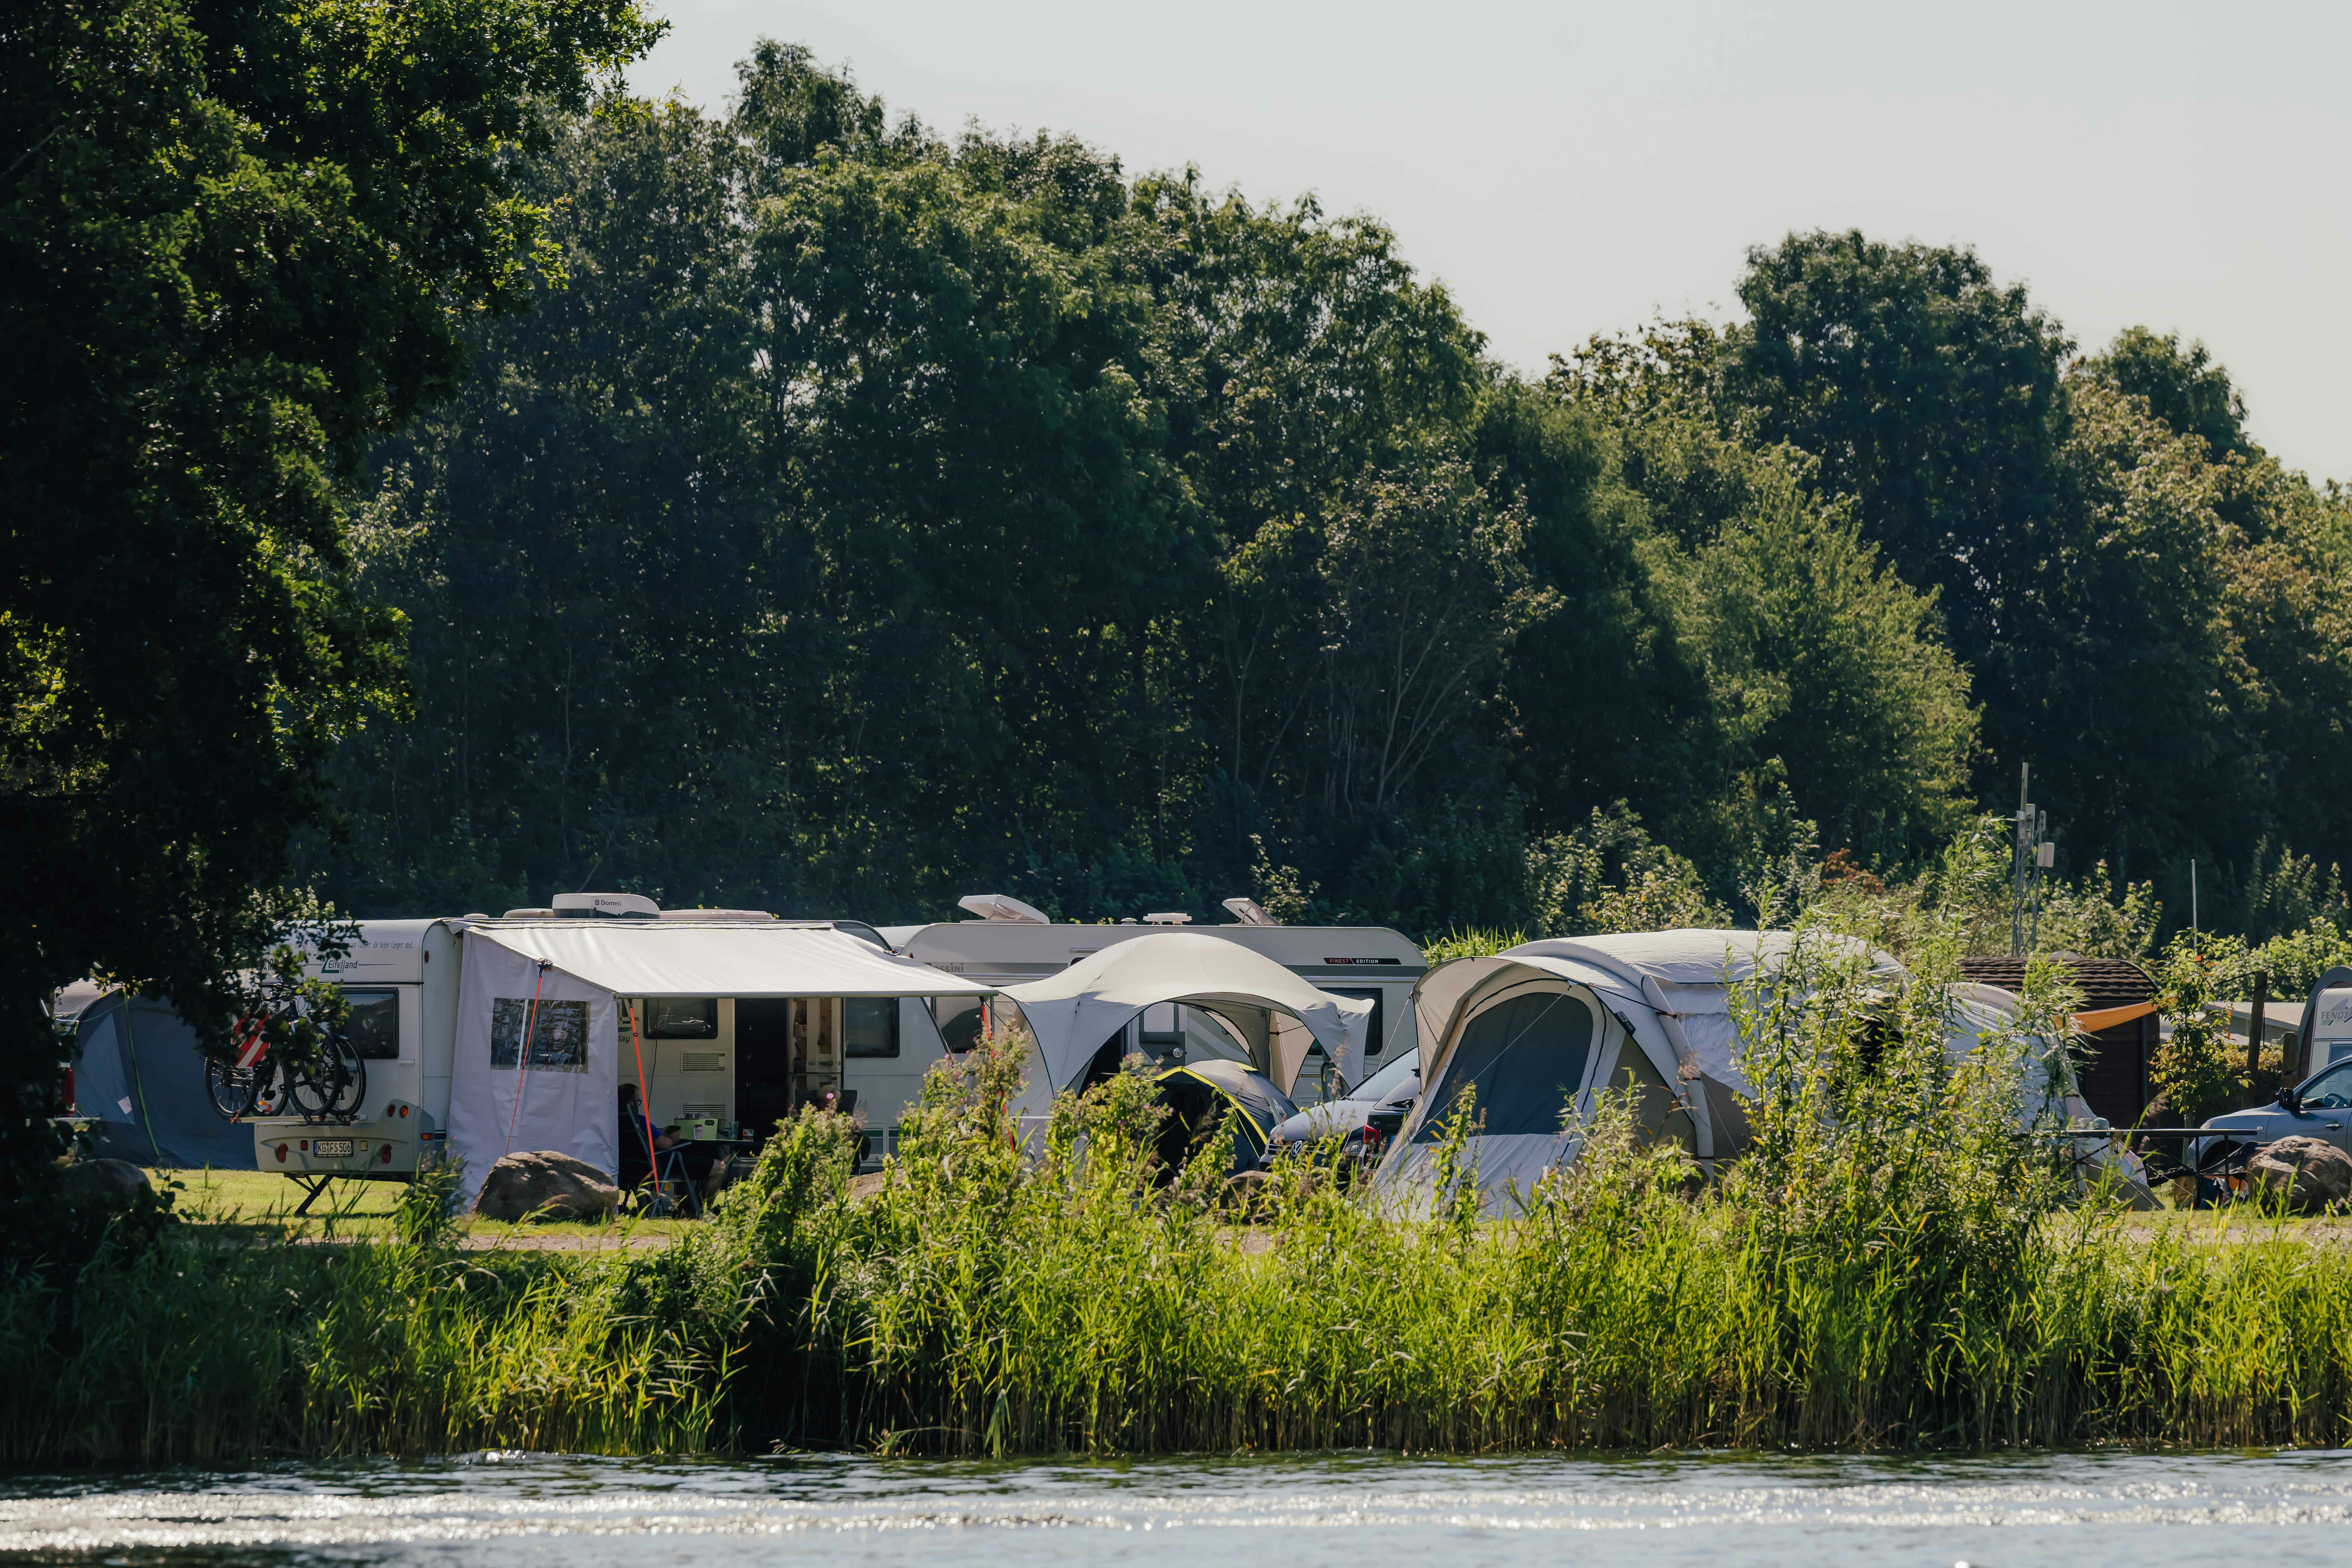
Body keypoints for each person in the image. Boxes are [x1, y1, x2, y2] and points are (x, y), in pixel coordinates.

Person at [618, 1083, 728, 1203]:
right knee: (719, 1167)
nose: (639, 1104)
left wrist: (659, 1132)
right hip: (664, 1164)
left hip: (634, 1166)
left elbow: (645, 1137)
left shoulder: (618, 1122)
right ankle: (707, 1209)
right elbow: (665, 1145)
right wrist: (672, 1139)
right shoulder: (640, 1121)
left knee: (693, 1163)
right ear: (631, 1103)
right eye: (638, 1101)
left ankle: (688, 1207)